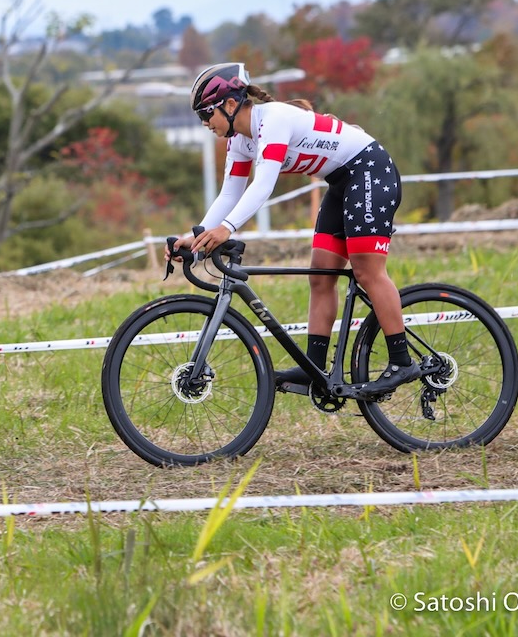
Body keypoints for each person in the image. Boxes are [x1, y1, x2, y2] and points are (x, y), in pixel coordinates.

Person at [173, 63, 421, 396]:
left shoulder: (272, 120)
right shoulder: (241, 141)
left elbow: (263, 184)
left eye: (206, 113)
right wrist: (198, 235)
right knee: (320, 274)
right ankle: (315, 368)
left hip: (369, 169)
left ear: (231, 105)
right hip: (341, 181)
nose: (204, 123)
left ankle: (402, 362)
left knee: (366, 270)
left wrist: (227, 229)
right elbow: (229, 193)